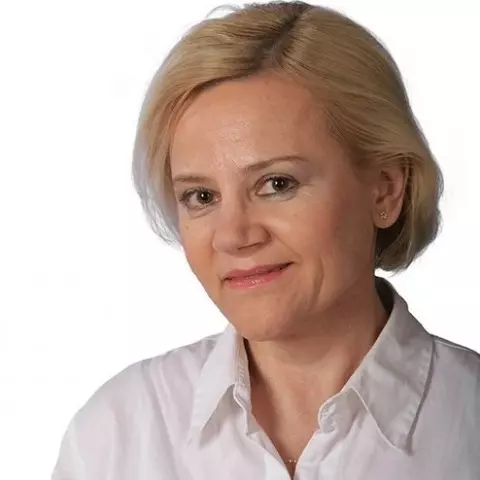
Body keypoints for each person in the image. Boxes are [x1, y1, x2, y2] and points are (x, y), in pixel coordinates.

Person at [51, 2, 480, 479]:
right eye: (201, 196)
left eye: (277, 184)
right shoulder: (116, 435)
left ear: (385, 190)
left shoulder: (468, 422)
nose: (234, 236)